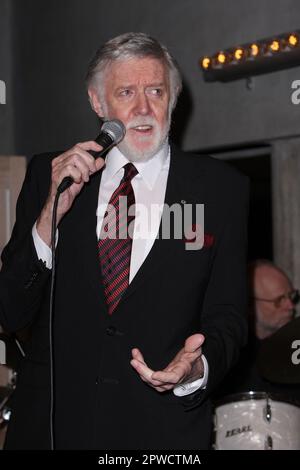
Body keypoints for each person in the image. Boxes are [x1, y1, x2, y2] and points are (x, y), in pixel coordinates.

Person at [0, 32, 249, 450]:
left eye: (156, 91)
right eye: (126, 92)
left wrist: (197, 369)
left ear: (173, 99)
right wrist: (48, 218)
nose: (143, 108)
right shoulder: (51, 175)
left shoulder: (220, 189)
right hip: (50, 430)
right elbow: (10, 310)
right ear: (98, 103)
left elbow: (229, 317)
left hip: (159, 435)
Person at [215, 259, 300, 399]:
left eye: (291, 296)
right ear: (250, 305)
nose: (291, 306)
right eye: (279, 300)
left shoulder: (295, 343)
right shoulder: (231, 351)